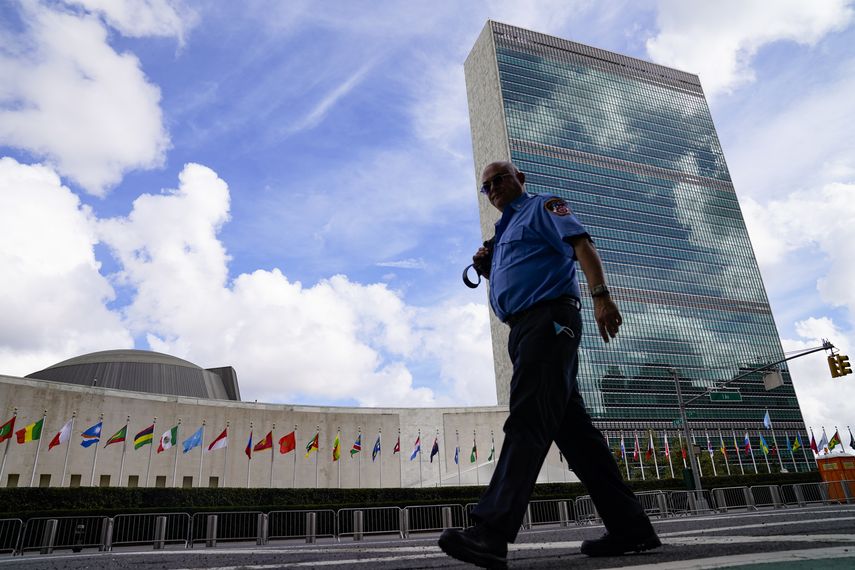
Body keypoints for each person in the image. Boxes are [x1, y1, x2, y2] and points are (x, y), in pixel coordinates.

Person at [438, 161, 660, 568]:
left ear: (519, 179)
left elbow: (582, 246)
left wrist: (601, 295)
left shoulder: (544, 206)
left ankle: (490, 532)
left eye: (499, 179)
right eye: (486, 186)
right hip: (523, 329)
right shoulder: (502, 233)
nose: (493, 188)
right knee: (576, 436)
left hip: (550, 320)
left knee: (527, 418)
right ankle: (631, 528)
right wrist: (489, 267)